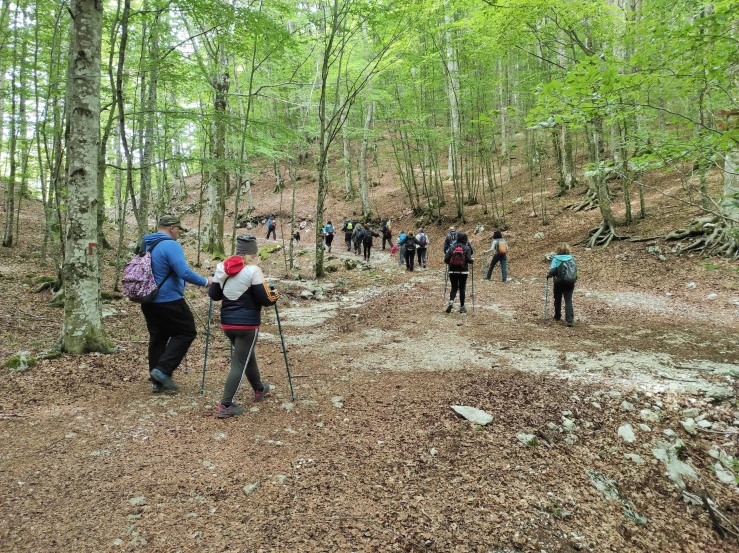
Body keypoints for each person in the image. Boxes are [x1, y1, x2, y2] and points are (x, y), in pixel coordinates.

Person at [208, 234, 278, 417]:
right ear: (252, 252)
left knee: (246, 356)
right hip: (247, 325)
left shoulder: (222, 267)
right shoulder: (253, 270)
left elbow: (214, 295)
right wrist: (274, 294)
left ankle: (259, 389)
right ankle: (226, 405)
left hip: (227, 324)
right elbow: (265, 300)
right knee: (239, 362)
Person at [141, 215, 212, 393]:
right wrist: (205, 281)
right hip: (169, 300)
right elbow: (184, 272)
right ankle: (162, 371)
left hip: (148, 299)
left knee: (158, 337)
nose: (179, 233)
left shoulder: (146, 243)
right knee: (187, 331)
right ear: (172, 228)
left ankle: (158, 382)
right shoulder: (170, 245)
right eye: (179, 229)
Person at [547, 243, 577, 327]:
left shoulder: (556, 258)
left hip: (558, 282)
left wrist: (548, 275)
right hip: (569, 281)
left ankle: (557, 316)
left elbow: (553, 271)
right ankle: (570, 320)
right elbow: (575, 271)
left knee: (557, 299)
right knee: (568, 300)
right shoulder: (572, 258)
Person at [444, 231, 473, 314]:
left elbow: (446, 259)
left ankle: (451, 301)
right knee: (462, 288)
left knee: (454, 287)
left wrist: (449, 263)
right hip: (463, 271)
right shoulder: (467, 247)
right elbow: (468, 259)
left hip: (452, 270)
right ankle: (462, 307)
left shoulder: (452, 247)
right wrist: (471, 261)